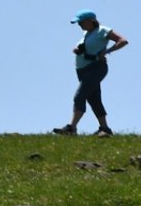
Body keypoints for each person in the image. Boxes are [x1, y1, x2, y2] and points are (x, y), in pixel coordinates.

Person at [54, 9, 128, 137]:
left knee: (79, 96)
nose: (79, 25)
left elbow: (122, 40)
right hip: (83, 70)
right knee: (94, 99)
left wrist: (107, 51)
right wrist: (77, 49)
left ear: (90, 21)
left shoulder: (103, 30)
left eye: (81, 22)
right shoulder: (86, 34)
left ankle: (71, 127)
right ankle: (104, 128)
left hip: (96, 68)